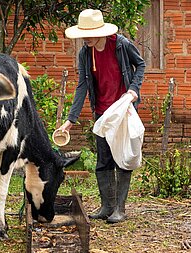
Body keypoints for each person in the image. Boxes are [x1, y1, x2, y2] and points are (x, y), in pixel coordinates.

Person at [58, 9, 145, 223]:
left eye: (89, 33)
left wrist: (133, 89)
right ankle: (107, 206)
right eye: (83, 34)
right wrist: (70, 121)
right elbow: (82, 87)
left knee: (122, 156)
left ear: (100, 31)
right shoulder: (85, 54)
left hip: (123, 110)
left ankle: (120, 209)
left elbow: (141, 64)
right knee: (103, 158)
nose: (85, 38)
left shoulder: (120, 44)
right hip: (102, 112)